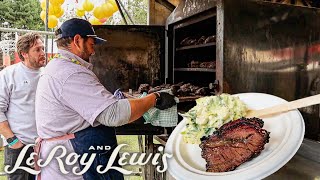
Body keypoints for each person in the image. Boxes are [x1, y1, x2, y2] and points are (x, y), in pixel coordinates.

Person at [35, 18, 176, 180]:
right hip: (76, 162)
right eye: (91, 44)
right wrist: (154, 98)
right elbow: (113, 114)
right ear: (77, 40)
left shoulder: (58, 66)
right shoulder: (71, 73)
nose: (93, 51)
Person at [0, 32, 45, 180]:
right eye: (37, 50)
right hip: (19, 147)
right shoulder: (8, 74)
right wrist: (13, 142)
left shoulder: (48, 75)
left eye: (43, 48)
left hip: (46, 146)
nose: (42, 53)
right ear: (24, 54)